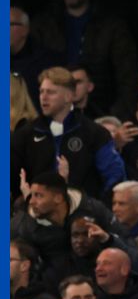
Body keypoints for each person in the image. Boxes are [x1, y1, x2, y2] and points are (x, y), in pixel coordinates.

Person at [11, 67, 125, 201]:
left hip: (83, 213)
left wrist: (97, 209)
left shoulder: (94, 133)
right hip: (34, 212)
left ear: (68, 96)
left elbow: (114, 176)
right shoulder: (26, 134)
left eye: (51, 92)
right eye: (41, 91)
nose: (44, 97)